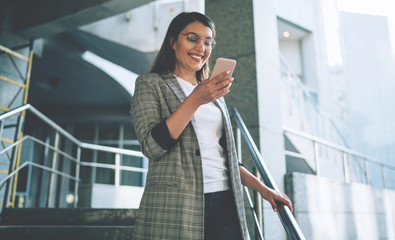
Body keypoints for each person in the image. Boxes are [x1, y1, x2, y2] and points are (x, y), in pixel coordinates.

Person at [130, 12, 292, 240]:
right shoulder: (151, 84)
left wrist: (264, 190)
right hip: (177, 204)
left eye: (208, 42)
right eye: (192, 38)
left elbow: (224, 156)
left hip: (225, 200)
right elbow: (152, 147)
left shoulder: (213, 93)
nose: (201, 48)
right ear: (173, 41)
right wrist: (196, 98)